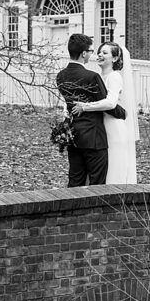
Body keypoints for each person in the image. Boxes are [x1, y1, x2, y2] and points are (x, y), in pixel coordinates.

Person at [70, 41, 138, 185]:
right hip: (97, 126)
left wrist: (85, 107)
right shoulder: (96, 77)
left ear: (114, 59)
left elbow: (111, 103)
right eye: (99, 52)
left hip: (112, 126)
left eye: (105, 53)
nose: (100, 55)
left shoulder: (114, 77)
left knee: (112, 165)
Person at [55, 33, 109, 187]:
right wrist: (123, 112)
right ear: (84, 53)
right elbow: (104, 103)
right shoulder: (92, 77)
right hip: (94, 136)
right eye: (91, 51)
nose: (92, 54)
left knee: (75, 181)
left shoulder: (61, 76)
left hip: (73, 135)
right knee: (97, 183)